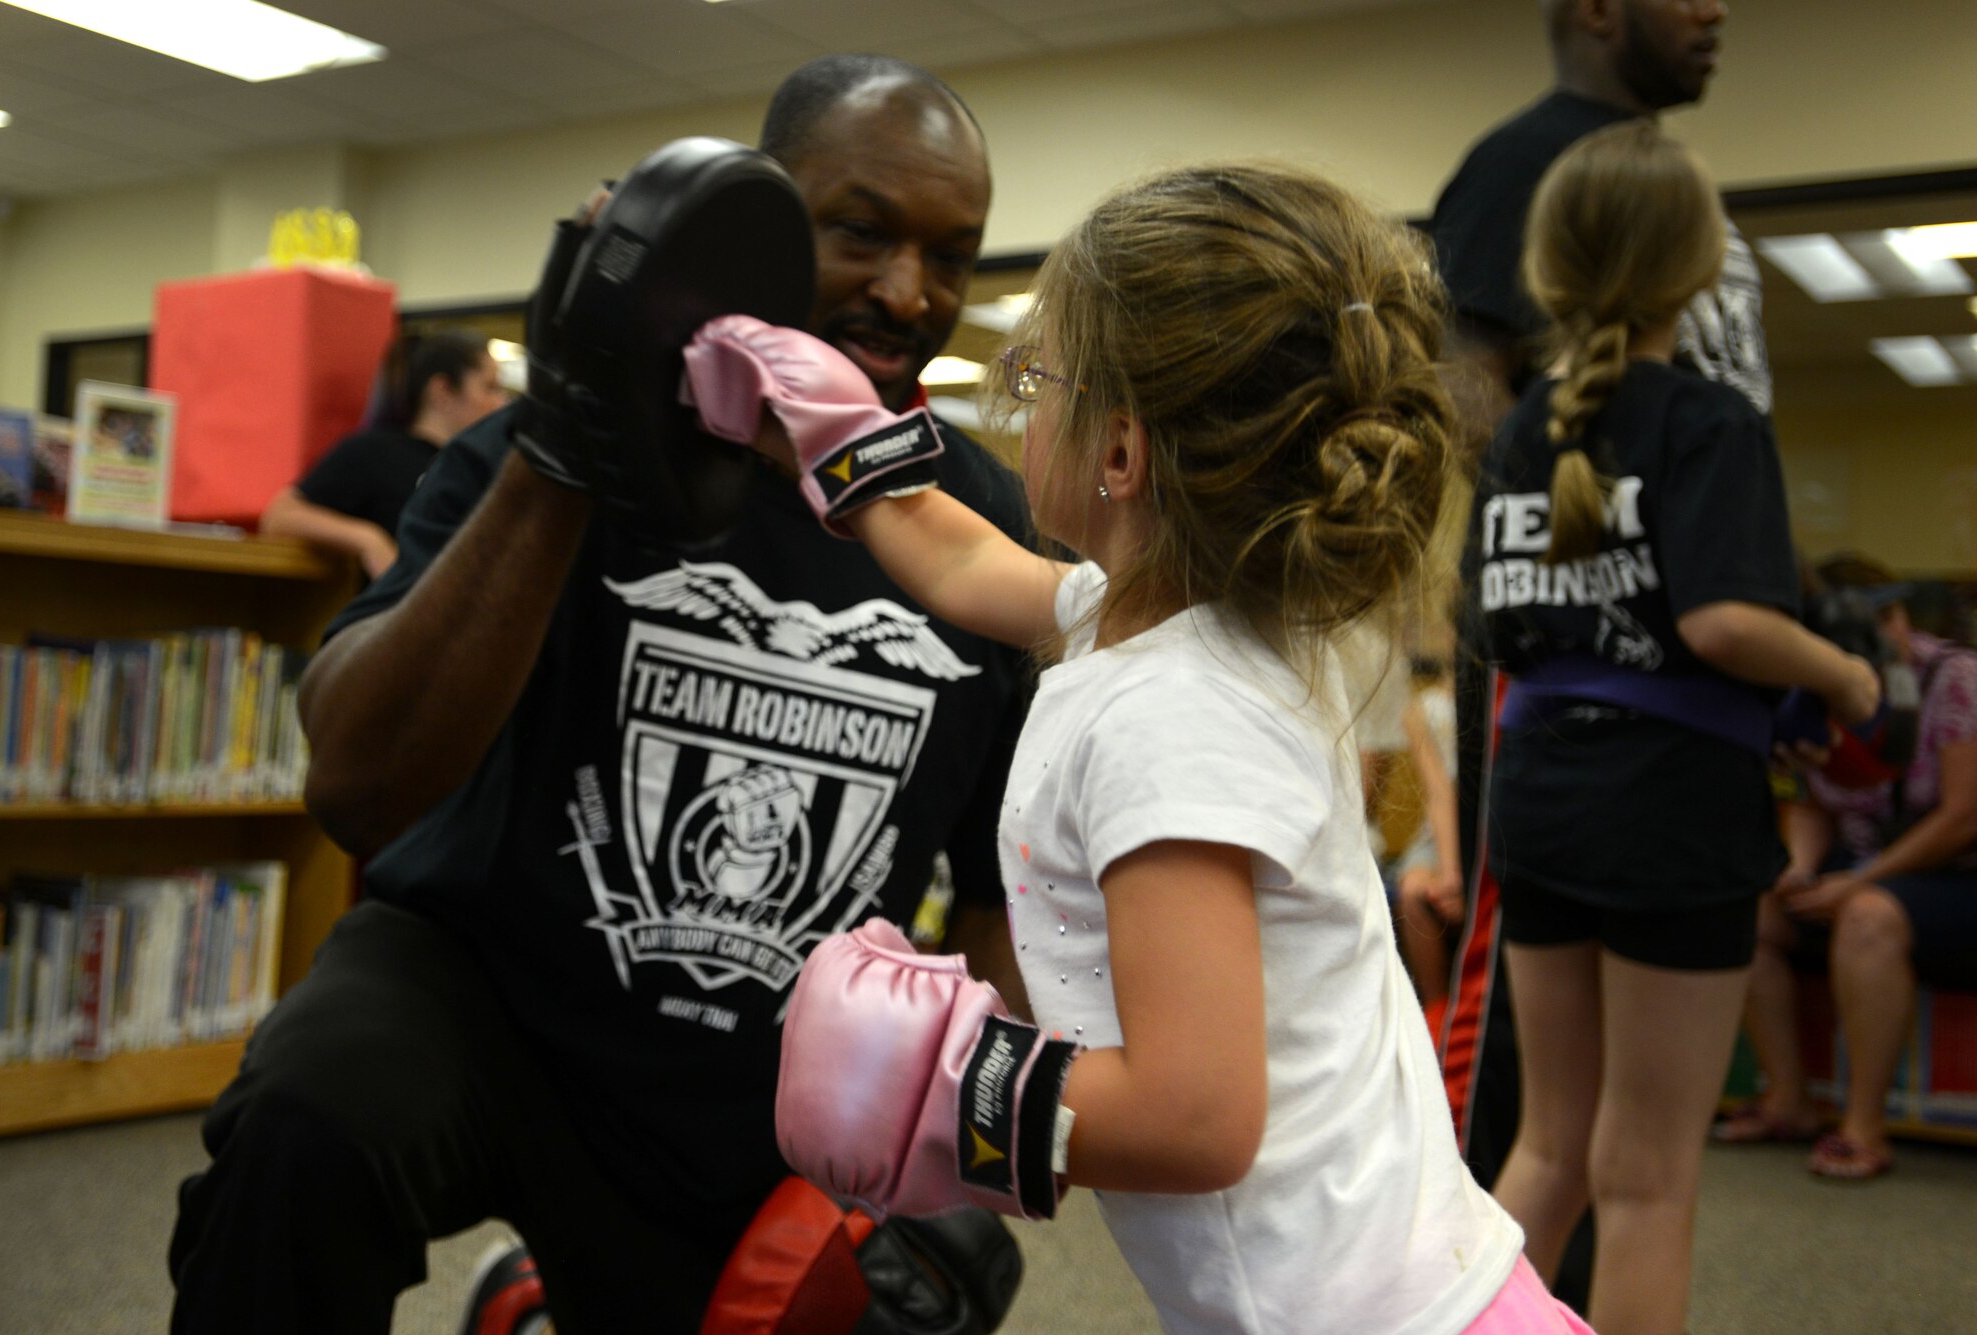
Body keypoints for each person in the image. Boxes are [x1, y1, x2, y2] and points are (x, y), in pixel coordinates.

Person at [168, 55, 1033, 1335]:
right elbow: (354, 783)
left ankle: (528, 1305)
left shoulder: (977, 526)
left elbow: (1001, 887)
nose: (910, 291)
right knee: (307, 1130)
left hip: (764, 1070)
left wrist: (962, 1134)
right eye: (860, 231)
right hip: (482, 993)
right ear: (759, 221)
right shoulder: (542, 456)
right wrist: (570, 438)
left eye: (950, 254)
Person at [689, 163, 1596, 1333]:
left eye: (1036, 375)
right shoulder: (1179, 619)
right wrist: (837, 431)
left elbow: (1194, 1118)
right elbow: (963, 563)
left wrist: (944, 1091)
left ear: (1117, 454)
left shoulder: (1172, 721)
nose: (1018, 406)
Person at [1469, 121, 1880, 1335]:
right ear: (1697, 269)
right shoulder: (1707, 423)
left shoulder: (1515, 427)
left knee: (1547, 1146)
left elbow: (1500, 632)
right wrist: (1845, 680)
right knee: (1644, 1173)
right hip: (1665, 811)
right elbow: (1724, 626)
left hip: (1540, 796)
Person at [1426, 3, 1759, 1303]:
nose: (1718, 11)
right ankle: (1503, 1307)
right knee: (1534, 1086)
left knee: (1638, 1126)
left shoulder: (1653, 175)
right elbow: (1467, 392)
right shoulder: (1532, 161)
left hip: (1687, 711)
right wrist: (1611, 543)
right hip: (1576, 670)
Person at [1720, 564, 1977, 1179]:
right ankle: (1790, 1100)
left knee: (1867, 918)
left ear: (1898, 619)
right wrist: (1801, 870)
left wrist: (1861, 882)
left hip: (1955, 876)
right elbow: (1812, 798)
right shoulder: (1817, 682)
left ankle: (1864, 1128)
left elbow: (1963, 815)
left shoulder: (1954, 678)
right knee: (1747, 914)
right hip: (1864, 867)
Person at [257, 330, 508, 577]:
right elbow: (281, 516)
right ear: (442, 390)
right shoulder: (375, 452)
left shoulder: (483, 466)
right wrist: (369, 539)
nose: (501, 403)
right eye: (489, 388)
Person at [1392, 649, 1464, 1013]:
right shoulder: (1421, 710)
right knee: (1414, 891)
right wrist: (1451, 872)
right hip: (1439, 839)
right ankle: (1436, 1011)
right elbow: (1439, 792)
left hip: (1491, 833)